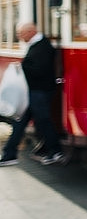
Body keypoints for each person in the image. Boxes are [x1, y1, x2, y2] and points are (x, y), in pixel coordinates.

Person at [0, 22, 64, 167]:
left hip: (40, 91)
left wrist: (22, 67)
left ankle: (55, 151)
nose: (19, 37)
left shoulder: (43, 46)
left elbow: (39, 70)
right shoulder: (38, 45)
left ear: (31, 32)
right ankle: (9, 154)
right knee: (21, 121)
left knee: (42, 120)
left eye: (21, 34)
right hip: (33, 91)